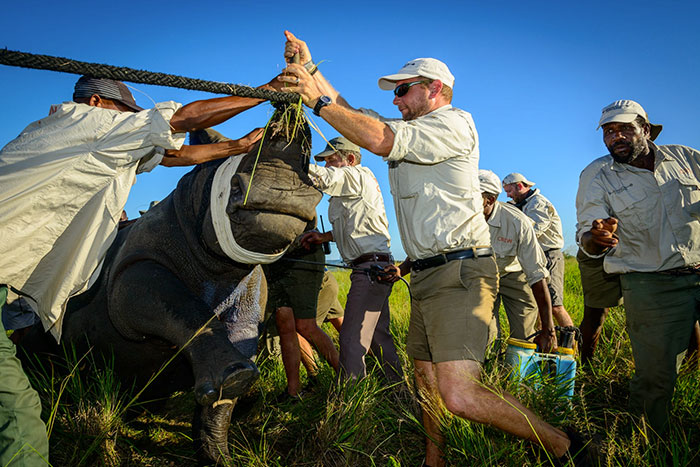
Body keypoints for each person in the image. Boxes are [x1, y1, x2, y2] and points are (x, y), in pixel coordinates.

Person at [278, 31, 587, 466]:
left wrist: (317, 101)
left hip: (459, 274)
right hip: (425, 274)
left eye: (402, 90)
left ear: (435, 89)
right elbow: (358, 117)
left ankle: (565, 446)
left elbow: (379, 138)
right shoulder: (411, 126)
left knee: (458, 394)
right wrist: (311, 72)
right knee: (424, 378)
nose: (395, 100)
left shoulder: (454, 123)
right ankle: (433, 458)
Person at [0, 74, 274, 464]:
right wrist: (268, 91)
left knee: (15, 400)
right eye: (124, 114)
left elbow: (167, 155)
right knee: (16, 408)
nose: (129, 120)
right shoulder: (87, 123)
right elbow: (180, 120)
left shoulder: (67, 135)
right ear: (96, 102)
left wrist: (237, 146)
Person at [578, 99, 700, 434]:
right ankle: (647, 444)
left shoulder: (686, 158)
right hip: (652, 284)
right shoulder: (597, 174)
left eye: (624, 129)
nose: (615, 137)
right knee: (654, 381)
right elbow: (587, 233)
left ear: (645, 130)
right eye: (608, 132)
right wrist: (596, 236)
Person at [301, 136, 402, 383]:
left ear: (349, 159)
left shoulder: (355, 175)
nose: (326, 166)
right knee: (378, 337)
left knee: (350, 337)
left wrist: (292, 162)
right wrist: (323, 237)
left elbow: (324, 179)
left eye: (330, 160)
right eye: (323, 162)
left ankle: (350, 402)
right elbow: (354, 228)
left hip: (368, 270)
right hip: (375, 266)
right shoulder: (354, 185)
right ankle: (398, 393)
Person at [478, 170, 556, 351]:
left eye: (473, 196)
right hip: (482, 278)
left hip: (515, 274)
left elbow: (537, 275)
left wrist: (548, 329)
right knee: (483, 332)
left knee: (524, 334)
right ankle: (490, 371)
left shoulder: (517, 221)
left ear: (489, 200)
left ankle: (521, 375)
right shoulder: (462, 219)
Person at [264, 240, 340, 399]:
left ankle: (348, 379)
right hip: (274, 265)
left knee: (304, 326)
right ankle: (294, 391)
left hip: (302, 264)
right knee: (285, 325)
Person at [502, 172, 575, 329]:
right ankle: (543, 347)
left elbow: (532, 232)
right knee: (537, 306)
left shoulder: (538, 203)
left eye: (509, 191)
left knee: (555, 306)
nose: (508, 195)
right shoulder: (523, 205)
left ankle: (573, 345)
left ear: (520, 186)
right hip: (532, 257)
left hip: (548, 255)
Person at [298, 270, 345, 379]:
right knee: (344, 328)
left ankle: (316, 376)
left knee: (300, 329)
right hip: (324, 279)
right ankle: (377, 361)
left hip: (318, 284)